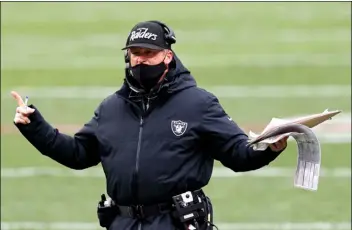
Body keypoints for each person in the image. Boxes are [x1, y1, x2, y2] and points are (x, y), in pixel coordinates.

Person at [12, 20, 288, 230]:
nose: (142, 59)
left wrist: (269, 148)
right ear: (127, 56)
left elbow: (237, 153)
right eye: (136, 53)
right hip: (122, 222)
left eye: (149, 53)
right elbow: (78, 154)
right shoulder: (110, 108)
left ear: (167, 56)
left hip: (176, 222)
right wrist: (35, 125)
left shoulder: (198, 103)